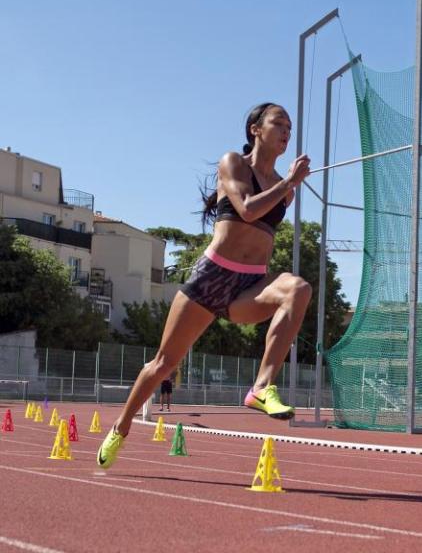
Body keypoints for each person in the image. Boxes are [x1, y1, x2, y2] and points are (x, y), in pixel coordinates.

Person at [97, 103, 313, 469]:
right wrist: (288, 183)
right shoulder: (233, 163)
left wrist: (285, 186)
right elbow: (245, 209)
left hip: (249, 286)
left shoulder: (283, 190)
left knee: (299, 289)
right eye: (279, 123)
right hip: (211, 278)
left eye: (289, 127)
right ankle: (121, 425)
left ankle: (262, 387)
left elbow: (263, 223)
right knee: (163, 365)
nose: (286, 131)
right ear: (255, 130)